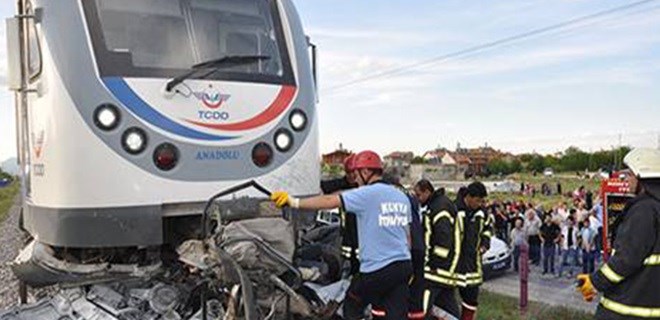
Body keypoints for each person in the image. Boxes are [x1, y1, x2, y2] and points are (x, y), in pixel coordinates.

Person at [271, 150, 412, 319]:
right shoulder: (401, 197)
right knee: (393, 313)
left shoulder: (368, 193)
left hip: (377, 269)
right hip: (403, 266)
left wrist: (293, 201)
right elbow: (408, 238)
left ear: (366, 172)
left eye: (357, 175)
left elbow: (330, 200)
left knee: (352, 304)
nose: (356, 180)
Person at [577, 148, 660, 320]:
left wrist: (593, 282)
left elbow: (626, 260)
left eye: (629, 175)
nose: (625, 180)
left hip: (626, 310)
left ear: (642, 177)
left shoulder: (644, 210)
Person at [415, 180, 461, 320]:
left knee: (422, 308)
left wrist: (433, 263)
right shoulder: (437, 205)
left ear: (427, 191)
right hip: (445, 271)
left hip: (436, 271)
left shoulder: (439, 208)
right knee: (448, 308)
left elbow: (443, 239)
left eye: (418, 195)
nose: (417, 199)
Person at [454, 182, 492, 320]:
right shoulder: (454, 210)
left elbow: (487, 230)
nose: (480, 204)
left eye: (482, 201)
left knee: (471, 303)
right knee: (448, 304)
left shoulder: (482, 213)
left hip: (473, 266)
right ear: (468, 197)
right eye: (478, 200)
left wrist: (485, 244)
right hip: (454, 266)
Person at [320, 154, 360, 275]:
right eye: (349, 173)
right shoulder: (341, 183)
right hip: (348, 234)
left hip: (363, 235)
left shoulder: (369, 188)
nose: (352, 176)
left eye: (354, 172)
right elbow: (322, 187)